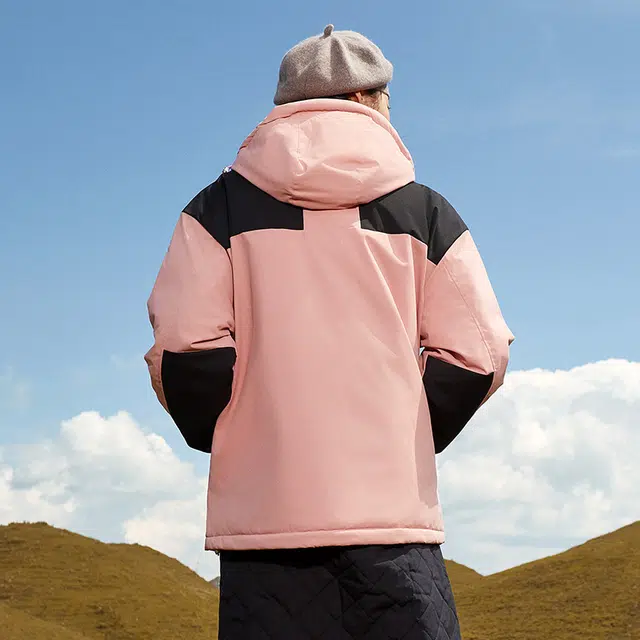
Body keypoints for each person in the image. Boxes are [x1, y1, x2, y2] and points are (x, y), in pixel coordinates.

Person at [144, 24, 514, 640]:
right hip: (394, 531)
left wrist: (242, 436)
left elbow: (186, 349)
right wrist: (405, 433)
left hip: (264, 536)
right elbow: (479, 353)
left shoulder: (214, 211)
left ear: (288, 104)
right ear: (369, 99)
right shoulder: (426, 212)